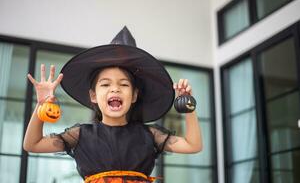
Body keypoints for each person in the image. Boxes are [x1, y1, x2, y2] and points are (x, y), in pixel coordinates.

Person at [23, 27, 203, 183]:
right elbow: (33, 144)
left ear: (134, 95)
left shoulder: (149, 135)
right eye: (106, 84)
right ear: (93, 95)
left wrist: (188, 105)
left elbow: (193, 145)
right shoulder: (80, 135)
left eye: (124, 84)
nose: (115, 89)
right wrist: (41, 105)